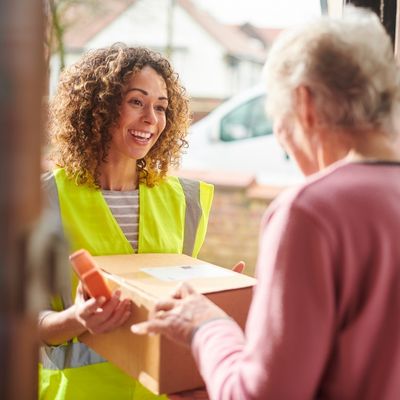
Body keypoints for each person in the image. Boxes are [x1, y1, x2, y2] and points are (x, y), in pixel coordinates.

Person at [131, 7, 400, 399]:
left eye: (280, 126)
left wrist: (206, 326)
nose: (286, 146)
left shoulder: (312, 211)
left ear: (304, 104)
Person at [38, 44, 214, 400]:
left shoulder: (186, 201)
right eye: (137, 101)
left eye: (161, 107)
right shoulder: (42, 200)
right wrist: (77, 320)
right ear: (99, 107)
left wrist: (218, 295)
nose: (152, 118)